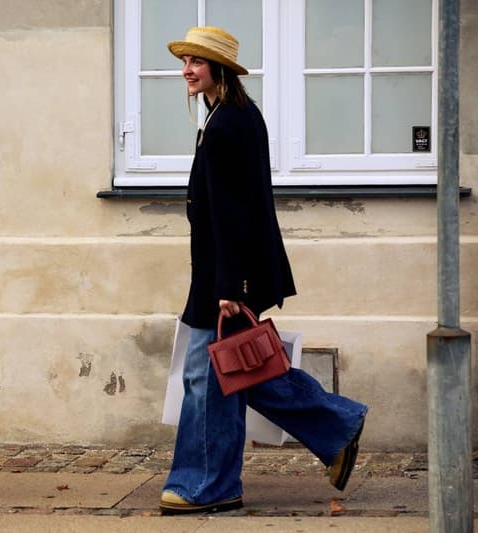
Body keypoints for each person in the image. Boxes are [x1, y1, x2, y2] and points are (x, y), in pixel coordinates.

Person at [159, 26, 368, 515]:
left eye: (196, 62)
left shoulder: (230, 123)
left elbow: (233, 210)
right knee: (242, 372)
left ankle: (207, 484)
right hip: (223, 271)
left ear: (220, 68)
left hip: (227, 274)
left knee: (208, 377)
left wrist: (230, 285)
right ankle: (337, 428)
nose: (187, 70)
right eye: (185, 61)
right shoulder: (227, 115)